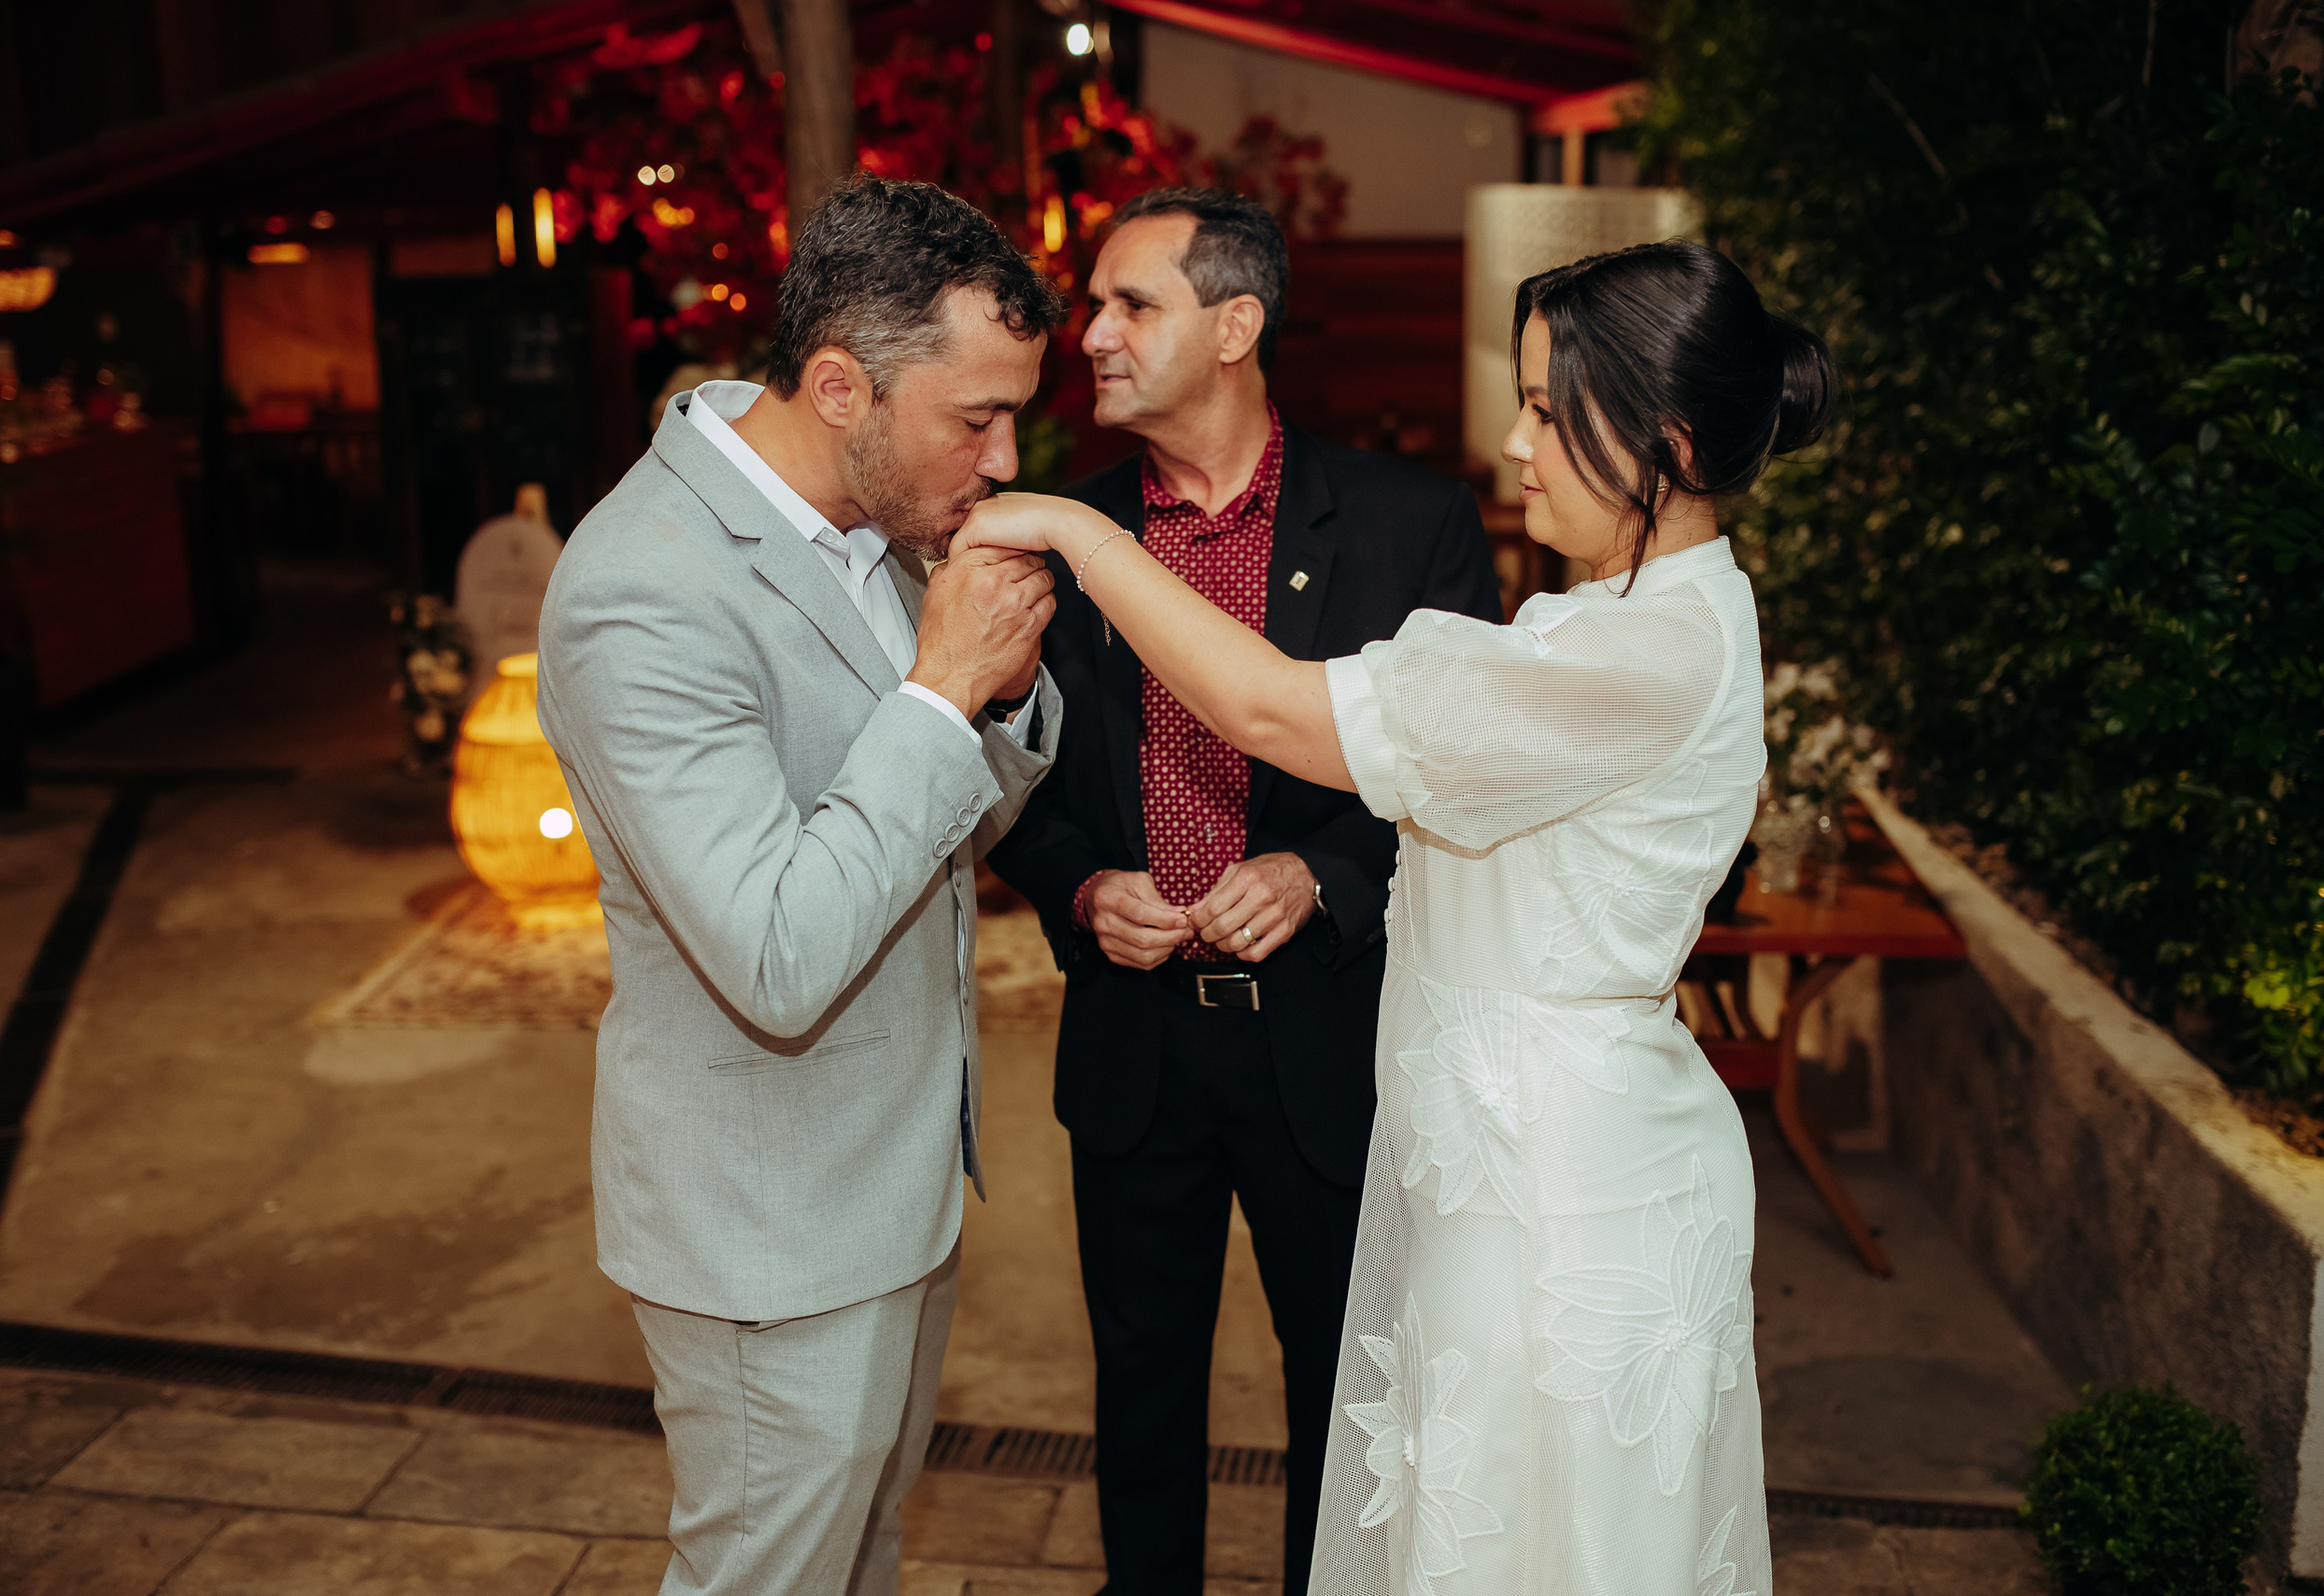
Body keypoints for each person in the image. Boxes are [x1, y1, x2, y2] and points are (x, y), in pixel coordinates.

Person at [962, 239, 1835, 1595]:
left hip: (1563, 1197)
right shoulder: (1617, 619)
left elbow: (1269, 712)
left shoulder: (1640, 652)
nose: (1515, 438)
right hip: (1499, 1165)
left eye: (1548, 409)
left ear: (1661, 437)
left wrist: (1080, 533)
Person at [536, 176, 1066, 1596]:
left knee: (863, 1558)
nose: (1005, 456)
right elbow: (775, 950)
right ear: (840, 385)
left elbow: (951, 831)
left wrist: (995, 704)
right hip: (769, 1231)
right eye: (976, 418)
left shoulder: (877, 523)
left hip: (892, 1179)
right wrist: (944, 688)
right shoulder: (638, 588)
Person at [985, 188, 1502, 1596]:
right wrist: (1085, 887)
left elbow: (1469, 785)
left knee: (1348, 1404)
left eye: (1126, 305)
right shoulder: (1058, 533)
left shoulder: (1409, 527)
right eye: (1092, 305)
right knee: (1140, 1401)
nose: (1086, 334)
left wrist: (1328, 872)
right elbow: (1004, 783)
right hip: (1135, 1037)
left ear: (1235, 325)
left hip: (1327, 1039)